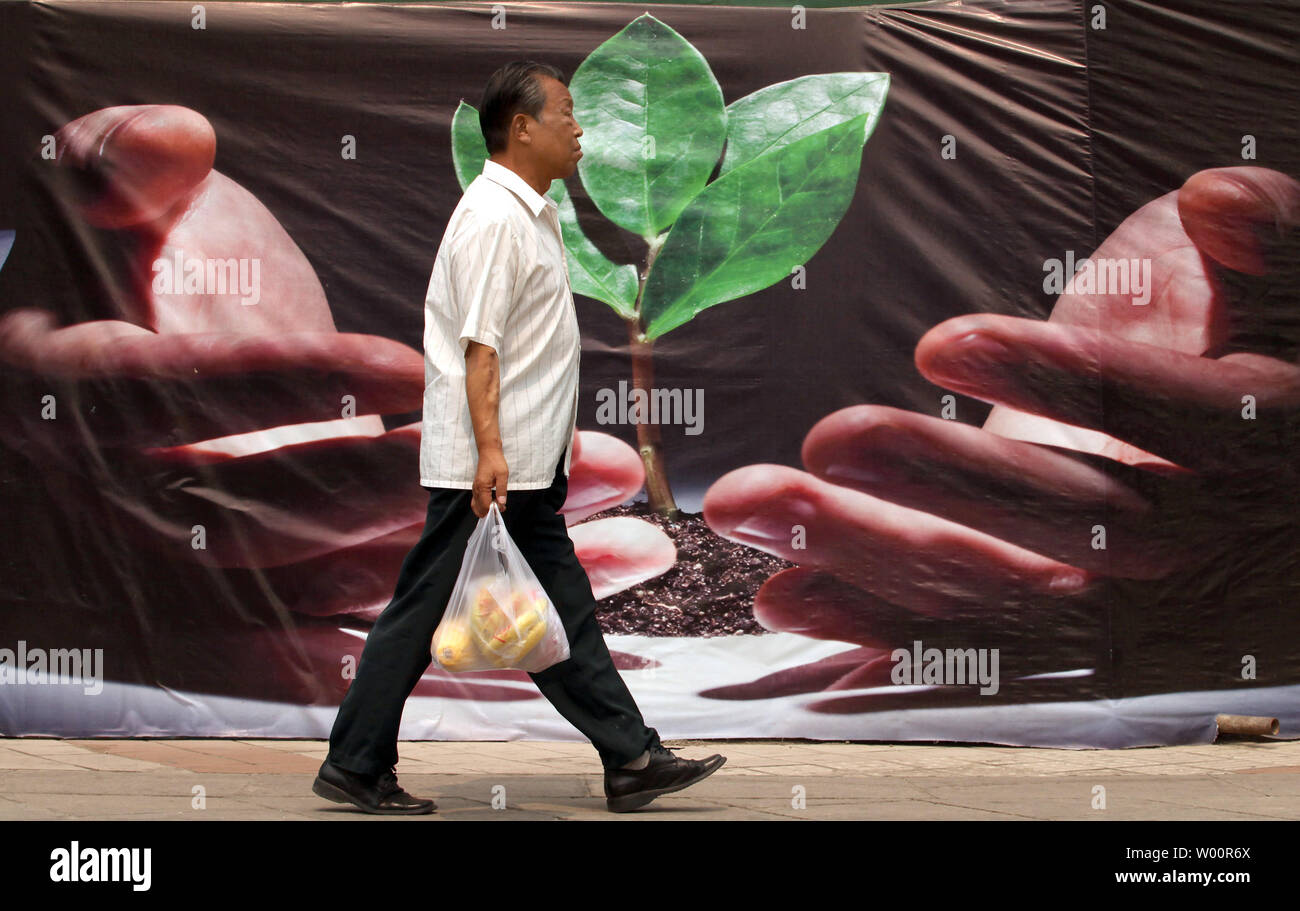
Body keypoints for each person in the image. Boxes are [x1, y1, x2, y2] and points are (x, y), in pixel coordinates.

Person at [312, 61, 726, 814]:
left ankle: (631, 755)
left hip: (521, 463)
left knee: (560, 609)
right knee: (424, 609)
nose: (580, 127)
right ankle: (355, 761)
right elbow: (481, 350)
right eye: (566, 112)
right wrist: (493, 451)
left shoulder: (530, 212)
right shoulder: (495, 216)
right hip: (489, 467)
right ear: (522, 127)